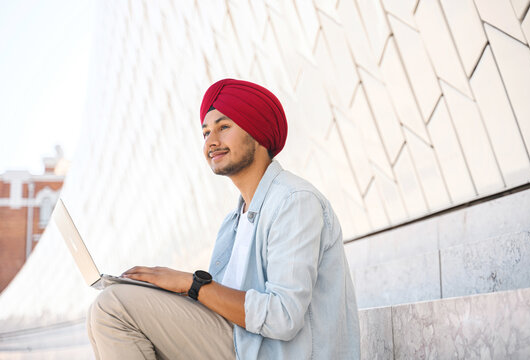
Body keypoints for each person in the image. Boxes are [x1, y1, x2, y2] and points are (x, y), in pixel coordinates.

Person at [87, 78, 360, 359]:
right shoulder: (233, 222)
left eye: (223, 127)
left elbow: (283, 317)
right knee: (102, 315)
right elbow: (223, 304)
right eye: (205, 133)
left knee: (112, 307)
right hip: (241, 345)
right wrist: (176, 296)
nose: (211, 142)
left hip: (269, 352)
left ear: (257, 132)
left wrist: (191, 284)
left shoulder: (295, 202)